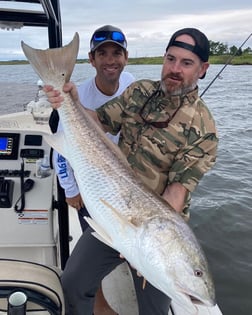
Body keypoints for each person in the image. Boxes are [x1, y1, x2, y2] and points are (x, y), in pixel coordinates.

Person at [45, 27, 218, 315]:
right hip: (112, 204)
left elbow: (177, 191)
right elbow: (97, 121)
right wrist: (70, 99)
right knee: (73, 282)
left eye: (186, 63)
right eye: (171, 59)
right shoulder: (139, 91)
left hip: (154, 228)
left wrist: (150, 248)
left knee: (154, 309)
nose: (175, 69)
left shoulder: (205, 130)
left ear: (203, 69)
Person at [50, 25, 134, 315]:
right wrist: (71, 190)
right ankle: (99, 304)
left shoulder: (133, 86)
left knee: (126, 247)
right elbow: (59, 150)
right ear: (91, 59)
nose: (110, 60)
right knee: (94, 240)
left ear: (126, 58)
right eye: (103, 54)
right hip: (90, 183)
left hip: (124, 183)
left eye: (116, 53)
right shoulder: (80, 94)